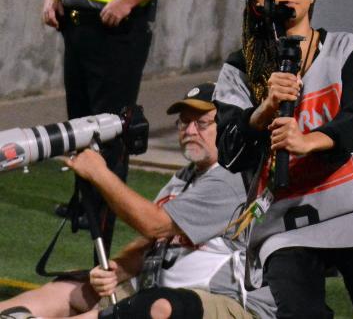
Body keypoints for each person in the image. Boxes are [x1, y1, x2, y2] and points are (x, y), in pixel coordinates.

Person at [214, 0, 353, 319]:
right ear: (256, 0)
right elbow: (229, 151)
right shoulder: (241, 68)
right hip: (284, 221)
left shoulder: (348, 49)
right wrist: (265, 109)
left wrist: (305, 141)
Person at [0, 83, 277, 319]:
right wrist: (119, 268)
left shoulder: (232, 179)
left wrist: (99, 173)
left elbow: (154, 225)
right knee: (72, 288)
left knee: (150, 307)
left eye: (202, 123)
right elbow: (153, 242)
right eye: (184, 122)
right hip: (159, 288)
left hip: (216, 300)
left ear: (228, 127)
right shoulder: (186, 176)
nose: (190, 131)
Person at [40, 0, 180, 254]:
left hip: (117, 34)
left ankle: (105, 206)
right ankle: (83, 201)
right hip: (77, 29)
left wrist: (127, 1)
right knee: (79, 120)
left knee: (110, 125)